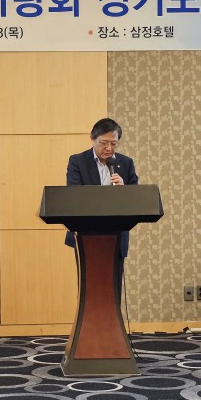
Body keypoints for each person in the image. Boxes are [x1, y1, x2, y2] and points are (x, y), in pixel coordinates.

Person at [65, 118, 139, 295]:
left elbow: (137, 199)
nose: (109, 148)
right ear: (93, 138)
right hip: (85, 234)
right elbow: (74, 196)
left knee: (113, 290)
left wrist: (124, 190)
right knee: (89, 290)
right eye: (104, 143)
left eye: (114, 144)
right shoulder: (77, 161)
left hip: (117, 235)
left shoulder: (126, 163)